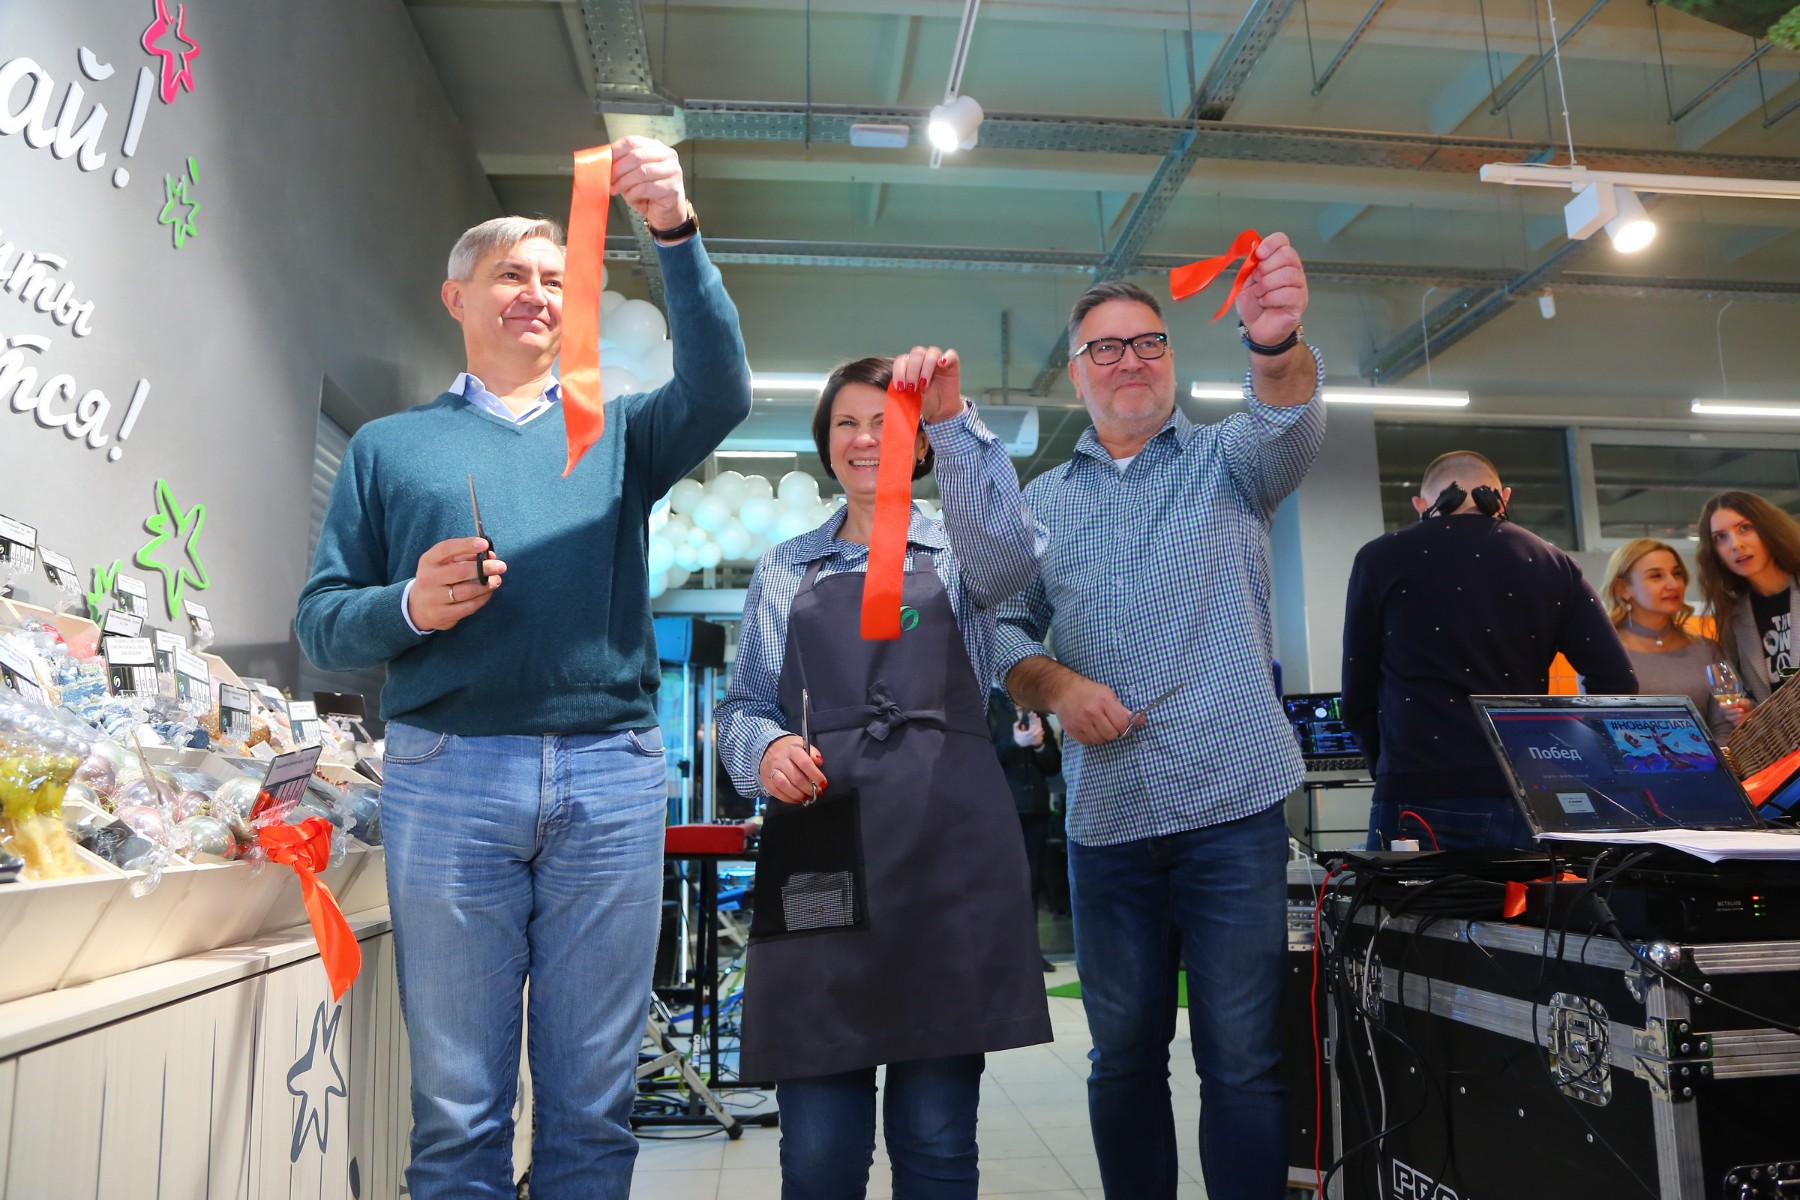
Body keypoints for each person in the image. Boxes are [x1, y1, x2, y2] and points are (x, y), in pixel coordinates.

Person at [295, 138, 752, 1200]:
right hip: (447, 774)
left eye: (556, 277)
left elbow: (721, 386)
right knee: (459, 1111)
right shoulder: (387, 448)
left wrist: (674, 229)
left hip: (611, 773)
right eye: (511, 273)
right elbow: (322, 626)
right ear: (456, 297)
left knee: (594, 1108)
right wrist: (410, 606)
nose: (538, 293)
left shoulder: (621, 434)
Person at [995, 234, 1324, 1200]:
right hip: (1109, 826)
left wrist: (1276, 342)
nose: (1129, 360)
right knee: (1123, 1061)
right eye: (1105, 347)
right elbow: (1001, 632)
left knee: (1244, 1060)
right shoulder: (1041, 504)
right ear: (1076, 372)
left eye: (1148, 342)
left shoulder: (1230, 461)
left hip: (1232, 811)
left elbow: (1289, 418)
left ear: (1172, 358)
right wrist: (1057, 687)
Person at [717, 349, 1052, 1200]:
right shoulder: (787, 567)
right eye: (847, 424)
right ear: (825, 444)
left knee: (937, 1141)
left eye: (886, 422)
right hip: (824, 851)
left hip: (949, 851)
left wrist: (953, 418)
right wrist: (765, 750)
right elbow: (743, 706)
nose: (866, 439)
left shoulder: (963, 556)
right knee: (819, 1151)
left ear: (921, 442)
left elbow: (1014, 558)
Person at [1341, 450, 1637, 853]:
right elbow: (1617, 681)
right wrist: (1566, 762)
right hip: (1528, 794)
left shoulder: (1379, 558)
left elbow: (1357, 690)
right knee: (1524, 899)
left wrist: (1388, 768)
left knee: (1412, 899)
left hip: (1417, 791)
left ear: (1422, 504)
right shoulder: (1551, 561)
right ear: (1503, 498)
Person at [1600, 538, 1744, 738]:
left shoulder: (1707, 650)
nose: (1673, 584)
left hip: (1706, 758)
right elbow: (1597, 727)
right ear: (1622, 589)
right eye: (1656, 576)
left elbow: (1723, 728)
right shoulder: (1604, 652)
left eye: (1677, 574)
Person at [1696, 490, 1800, 704]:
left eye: (1745, 528)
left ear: (1769, 529)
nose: (1735, 544)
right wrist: (1748, 708)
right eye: (1720, 537)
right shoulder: (1733, 616)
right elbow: (1755, 695)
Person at [988, 684, 1063, 971]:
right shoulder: (991, 707)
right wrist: (1016, 742)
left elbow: (1052, 765)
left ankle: (1032, 951)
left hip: (1036, 808)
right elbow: (985, 757)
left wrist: (1040, 744)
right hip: (1004, 807)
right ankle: (1005, 952)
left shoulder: (1036, 712)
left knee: (1032, 880)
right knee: (1006, 881)